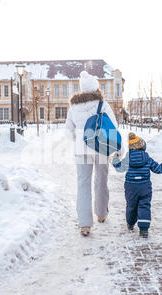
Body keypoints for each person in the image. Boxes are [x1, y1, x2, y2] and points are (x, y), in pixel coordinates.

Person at [65, 71, 120, 237]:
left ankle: (84, 224)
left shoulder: (73, 106)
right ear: (96, 88)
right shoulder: (103, 104)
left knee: (83, 185)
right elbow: (114, 126)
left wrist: (78, 138)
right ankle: (101, 213)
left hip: (82, 150)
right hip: (101, 148)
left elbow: (68, 130)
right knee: (101, 181)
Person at [113, 133, 162, 238]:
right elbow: (158, 169)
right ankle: (144, 230)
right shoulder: (147, 158)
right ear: (142, 146)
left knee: (131, 205)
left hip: (131, 187)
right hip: (145, 186)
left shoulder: (128, 158)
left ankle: (130, 224)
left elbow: (119, 168)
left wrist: (115, 159)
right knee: (144, 206)